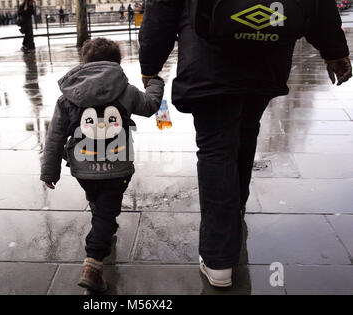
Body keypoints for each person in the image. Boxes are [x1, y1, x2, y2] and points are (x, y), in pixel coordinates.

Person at [139, 0, 352, 287]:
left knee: (216, 148)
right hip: (268, 56)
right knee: (246, 130)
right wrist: (335, 52)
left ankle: (218, 258)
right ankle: (235, 209)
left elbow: (162, 9)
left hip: (208, 59)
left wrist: (150, 66)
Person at [41, 38, 164, 292]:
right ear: (116, 63)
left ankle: (103, 225)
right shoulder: (126, 91)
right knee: (106, 211)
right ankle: (93, 265)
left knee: (100, 203)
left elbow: (54, 137)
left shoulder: (68, 96)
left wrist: (49, 171)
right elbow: (151, 106)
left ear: (84, 63)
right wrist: (155, 83)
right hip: (116, 167)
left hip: (83, 169)